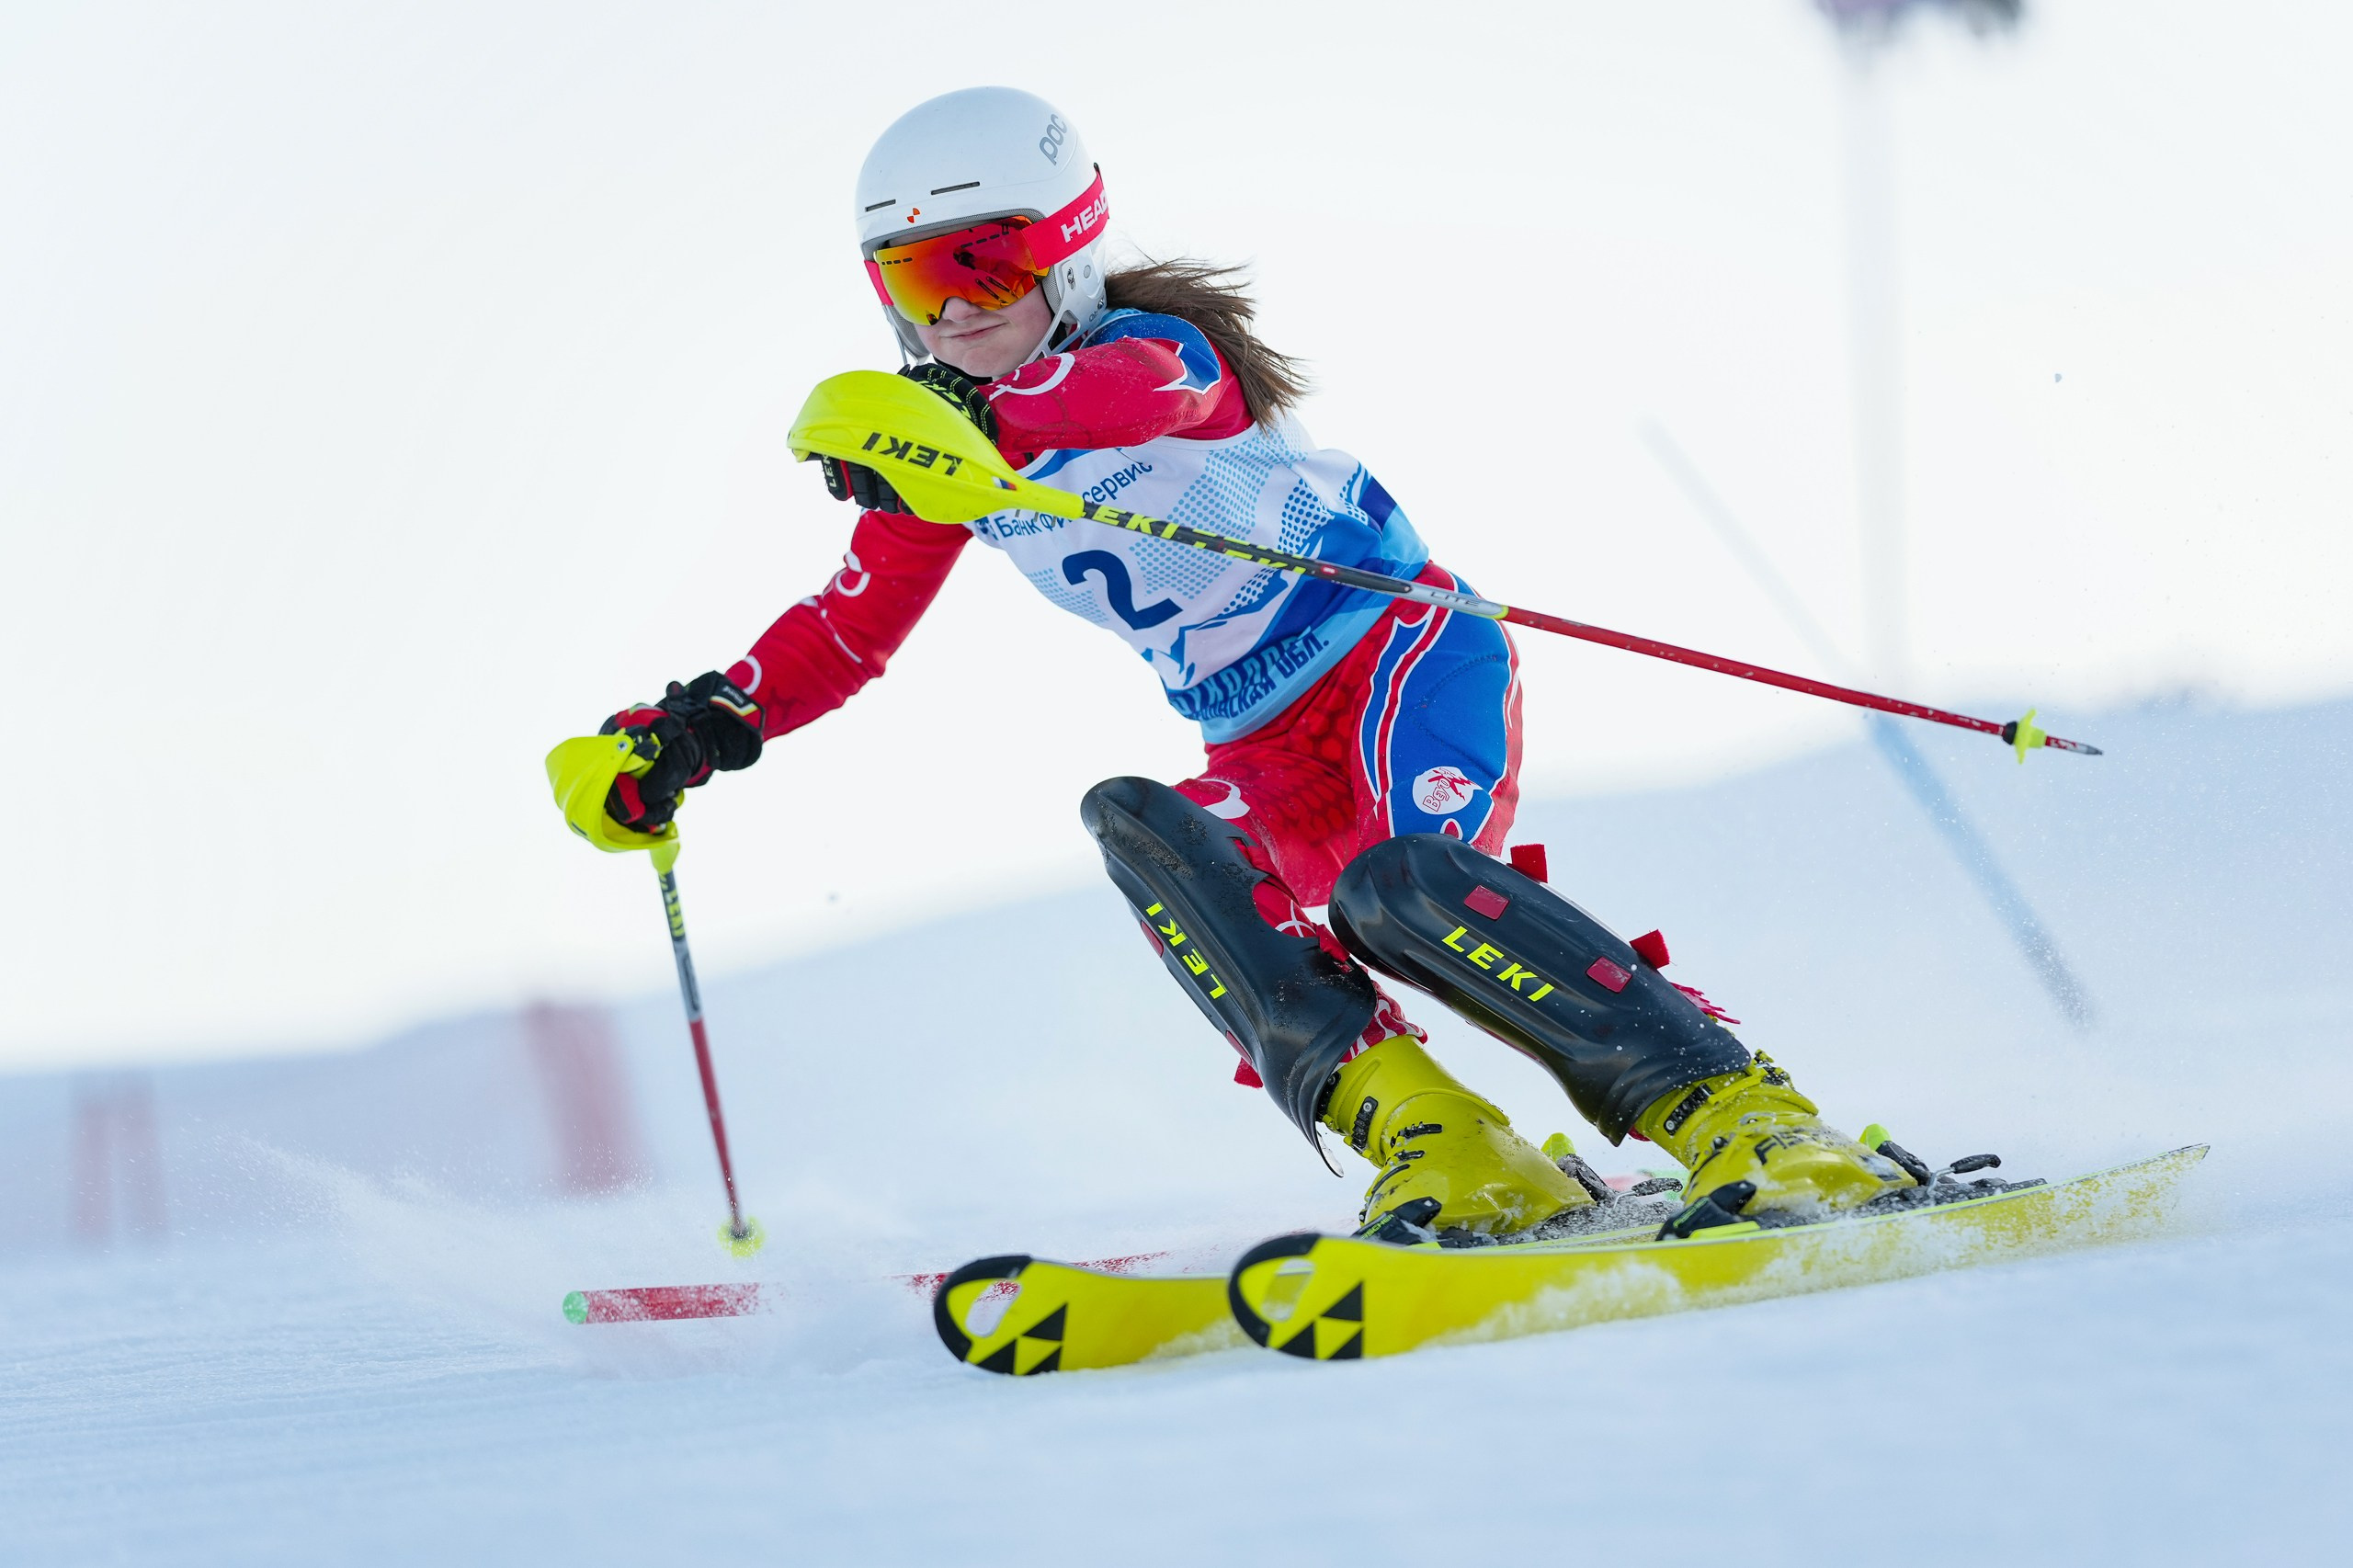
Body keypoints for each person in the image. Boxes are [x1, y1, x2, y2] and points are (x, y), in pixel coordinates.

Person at [585, 86, 1919, 1240]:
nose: (954, 312)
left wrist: (972, 422)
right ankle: (1447, 1141)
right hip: (1259, 747)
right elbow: (844, 630)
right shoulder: (937, 465)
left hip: (1398, 656)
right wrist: (694, 732)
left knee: (1404, 894)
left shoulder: (1151, 354)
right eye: (917, 282)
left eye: (984, 269)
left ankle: (1745, 1112)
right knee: (1143, 829)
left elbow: (1134, 399)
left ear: (1067, 256)